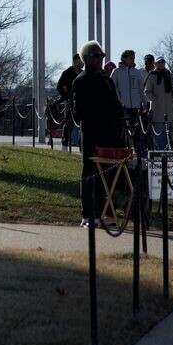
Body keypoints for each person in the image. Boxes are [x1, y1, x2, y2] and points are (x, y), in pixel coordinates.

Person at [72, 40, 123, 227]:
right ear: (86, 59)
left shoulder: (106, 80)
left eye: (101, 56)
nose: (100, 60)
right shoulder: (81, 81)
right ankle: (88, 215)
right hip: (91, 134)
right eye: (96, 56)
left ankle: (104, 214)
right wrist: (98, 115)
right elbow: (78, 113)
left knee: (107, 175)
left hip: (109, 134)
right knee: (90, 174)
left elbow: (116, 106)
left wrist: (118, 125)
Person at [110, 49, 145, 149]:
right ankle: (122, 148)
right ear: (124, 58)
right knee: (122, 130)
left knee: (136, 130)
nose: (133, 60)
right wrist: (118, 100)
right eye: (131, 58)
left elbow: (141, 89)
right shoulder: (116, 71)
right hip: (121, 106)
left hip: (135, 106)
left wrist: (144, 102)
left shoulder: (137, 72)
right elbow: (112, 87)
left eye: (133, 58)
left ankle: (137, 149)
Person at [144, 56, 173, 150]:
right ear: (155, 64)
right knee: (159, 132)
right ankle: (160, 151)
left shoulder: (170, 75)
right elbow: (147, 91)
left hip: (169, 109)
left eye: (162, 61)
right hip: (157, 109)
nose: (161, 63)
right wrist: (154, 100)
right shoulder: (152, 75)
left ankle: (169, 151)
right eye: (159, 62)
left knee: (169, 133)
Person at [56, 54, 83, 146]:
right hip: (70, 100)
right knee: (69, 121)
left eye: (82, 62)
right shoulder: (67, 73)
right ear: (75, 62)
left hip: (81, 101)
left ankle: (81, 141)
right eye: (79, 62)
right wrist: (65, 96)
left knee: (82, 122)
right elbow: (59, 86)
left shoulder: (83, 74)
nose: (81, 64)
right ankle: (65, 139)